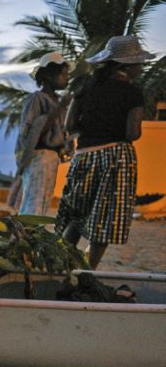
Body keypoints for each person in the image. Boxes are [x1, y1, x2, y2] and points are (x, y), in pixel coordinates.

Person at [56, 35, 153, 269]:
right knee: (105, 218)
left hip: (84, 156)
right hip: (116, 157)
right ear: (126, 66)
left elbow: (70, 125)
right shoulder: (132, 92)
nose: (141, 67)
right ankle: (86, 272)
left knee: (76, 215)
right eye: (139, 63)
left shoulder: (85, 86)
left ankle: (61, 264)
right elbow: (132, 133)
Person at [10, 52, 72, 215]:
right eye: (63, 74)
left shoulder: (60, 102)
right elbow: (32, 132)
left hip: (52, 157)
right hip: (38, 157)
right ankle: (26, 235)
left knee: (43, 203)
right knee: (33, 203)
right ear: (50, 76)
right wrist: (59, 109)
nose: (67, 79)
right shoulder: (37, 99)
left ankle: (31, 235)